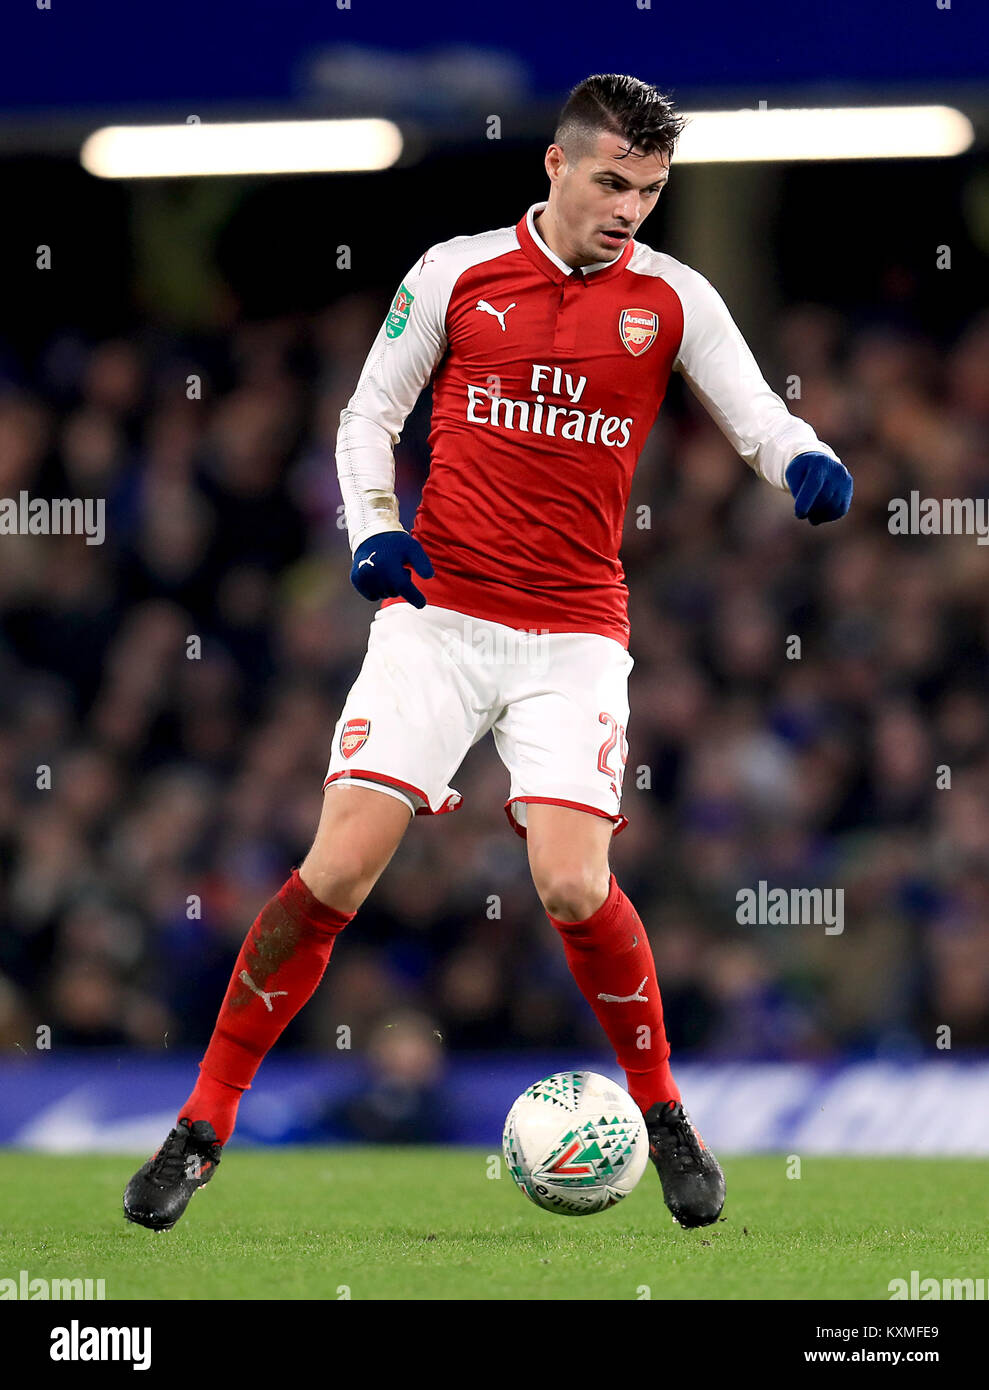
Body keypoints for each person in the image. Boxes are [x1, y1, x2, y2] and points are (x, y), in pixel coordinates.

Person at [124, 72, 852, 1233]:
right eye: (612, 181)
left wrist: (801, 460)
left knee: (570, 881)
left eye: (650, 190)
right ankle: (200, 1127)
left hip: (572, 632)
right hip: (439, 620)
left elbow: (758, 415)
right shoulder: (456, 271)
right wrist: (373, 534)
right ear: (554, 165)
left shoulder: (670, 298)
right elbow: (369, 415)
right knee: (335, 876)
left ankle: (664, 1117)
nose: (628, 209)